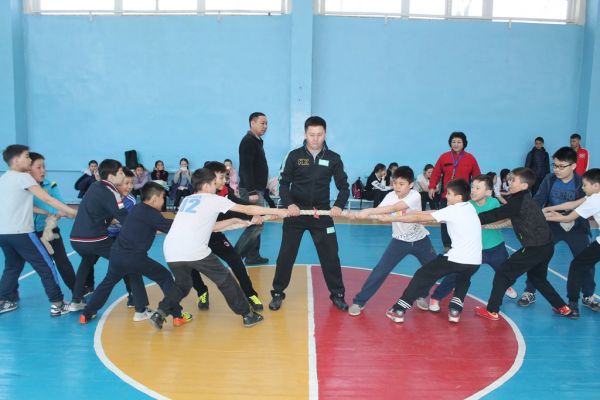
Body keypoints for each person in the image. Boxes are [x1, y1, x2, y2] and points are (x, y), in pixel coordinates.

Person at [149, 168, 288, 329]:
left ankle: (160, 313)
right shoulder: (212, 199)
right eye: (214, 183)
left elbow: (211, 227)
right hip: (194, 250)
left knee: (182, 286)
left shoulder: (187, 200)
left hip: (171, 251)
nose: (216, 187)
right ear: (206, 185)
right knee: (225, 280)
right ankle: (248, 315)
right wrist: (278, 210)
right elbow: (248, 209)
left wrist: (234, 221)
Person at [269, 116, 350, 312]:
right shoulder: (294, 156)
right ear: (305, 134)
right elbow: (283, 184)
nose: (315, 139)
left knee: (331, 256)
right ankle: (278, 292)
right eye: (312, 134)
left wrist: (338, 205)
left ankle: (338, 294)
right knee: (286, 255)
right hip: (295, 214)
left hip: (321, 214)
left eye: (319, 134)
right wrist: (289, 204)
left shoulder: (334, 158)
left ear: (325, 134)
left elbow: (344, 187)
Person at [80, 182, 191, 326]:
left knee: (108, 283)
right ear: (154, 199)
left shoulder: (137, 208)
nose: (163, 201)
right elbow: (172, 227)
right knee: (165, 277)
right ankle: (177, 316)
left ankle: (86, 314)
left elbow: (154, 224)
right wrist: (189, 221)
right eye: (162, 197)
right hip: (134, 257)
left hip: (116, 254)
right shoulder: (152, 214)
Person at [474, 168, 573, 321]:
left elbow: (495, 215)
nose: (509, 182)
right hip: (547, 247)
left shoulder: (518, 201)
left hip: (535, 248)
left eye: (513, 180)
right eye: (510, 179)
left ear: (524, 185)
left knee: (503, 273)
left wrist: (471, 217)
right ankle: (562, 307)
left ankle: (492, 310)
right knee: (538, 279)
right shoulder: (525, 197)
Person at [383, 179, 481, 324]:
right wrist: (415, 213)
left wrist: (391, 218)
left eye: (449, 194)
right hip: (475, 262)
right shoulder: (469, 207)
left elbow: (419, 218)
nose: (446, 196)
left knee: (422, 275)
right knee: (463, 278)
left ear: (458, 197)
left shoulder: (453, 210)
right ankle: (455, 310)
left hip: (457, 258)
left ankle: (399, 310)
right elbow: (433, 213)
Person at [347, 166, 437, 316]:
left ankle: (421, 294)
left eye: (401, 184)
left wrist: (367, 211)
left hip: (420, 240)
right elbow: (380, 211)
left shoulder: (415, 195)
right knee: (380, 270)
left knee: (433, 269)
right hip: (399, 241)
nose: (397, 187)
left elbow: (395, 208)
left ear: (411, 184)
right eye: (395, 183)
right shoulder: (390, 196)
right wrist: (357, 215)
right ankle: (359, 301)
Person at [518, 147, 599, 311]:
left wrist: (564, 218)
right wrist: (534, 215)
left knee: (585, 260)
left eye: (561, 166)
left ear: (573, 166)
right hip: (552, 225)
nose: (557, 169)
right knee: (537, 255)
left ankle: (588, 295)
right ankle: (529, 291)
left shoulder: (582, 183)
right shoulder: (549, 179)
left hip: (576, 226)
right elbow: (539, 199)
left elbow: (577, 207)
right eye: (555, 165)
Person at [0, 145, 76, 316]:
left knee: (12, 266)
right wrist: (73, 213)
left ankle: (2, 301)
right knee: (46, 266)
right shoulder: (24, 177)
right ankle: (57, 304)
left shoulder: (4, 178)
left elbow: (23, 205)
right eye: (27, 156)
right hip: (21, 233)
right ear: (16, 160)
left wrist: (45, 212)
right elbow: (47, 198)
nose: (29, 159)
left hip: (3, 233)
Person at [423, 175, 517, 313]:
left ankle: (506, 285)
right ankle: (436, 297)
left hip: (496, 247)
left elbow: (500, 219)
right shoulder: (467, 205)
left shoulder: (494, 203)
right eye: (472, 187)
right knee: (455, 274)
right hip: (473, 250)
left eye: (478, 188)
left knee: (506, 272)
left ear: (488, 192)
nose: (473, 190)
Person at [68, 159, 146, 314]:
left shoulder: (95, 186)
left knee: (86, 262)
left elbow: (103, 212)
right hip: (95, 239)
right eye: (121, 173)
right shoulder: (112, 192)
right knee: (127, 261)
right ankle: (138, 303)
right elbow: (124, 218)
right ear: (111, 177)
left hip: (76, 238)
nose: (123, 177)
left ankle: (76, 300)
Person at [190, 161, 267, 312]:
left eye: (225, 177)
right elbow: (227, 213)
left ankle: (250, 294)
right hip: (197, 238)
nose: (224, 180)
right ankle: (202, 292)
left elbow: (239, 204)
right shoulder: (200, 196)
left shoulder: (224, 190)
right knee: (190, 266)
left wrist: (259, 213)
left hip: (215, 236)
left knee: (236, 261)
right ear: (210, 178)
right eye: (221, 177)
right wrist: (250, 216)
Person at [544, 168, 600, 317]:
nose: (583, 188)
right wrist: (549, 208)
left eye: (585, 185)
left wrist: (543, 217)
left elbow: (568, 218)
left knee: (577, 265)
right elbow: (572, 204)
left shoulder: (595, 199)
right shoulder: (593, 196)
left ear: (596, 186)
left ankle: (573, 305)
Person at [30, 152, 76, 292]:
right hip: (29, 233)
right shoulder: (25, 187)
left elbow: (59, 203)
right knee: (18, 265)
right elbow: (31, 206)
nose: (43, 170)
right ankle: (9, 294)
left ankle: (77, 292)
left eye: (44, 167)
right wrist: (50, 211)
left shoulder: (51, 185)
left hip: (49, 231)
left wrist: (64, 212)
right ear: (28, 168)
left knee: (62, 262)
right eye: (39, 167)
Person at [429, 132, 481, 250]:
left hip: (464, 197)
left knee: (463, 221)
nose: (456, 144)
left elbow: (477, 176)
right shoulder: (444, 157)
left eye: (459, 142)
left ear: (464, 144)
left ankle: (462, 243)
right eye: (453, 142)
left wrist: (476, 191)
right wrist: (432, 187)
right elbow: (436, 173)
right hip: (446, 196)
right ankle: (447, 245)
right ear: (450, 143)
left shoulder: (470, 158)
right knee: (445, 221)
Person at [236, 112, 270, 265]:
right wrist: (251, 191)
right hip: (252, 191)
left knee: (257, 223)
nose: (265, 126)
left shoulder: (256, 141)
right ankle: (235, 257)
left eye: (266, 123)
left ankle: (253, 255)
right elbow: (245, 168)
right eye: (262, 123)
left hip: (257, 189)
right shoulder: (248, 141)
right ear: (252, 123)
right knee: (256, 225)